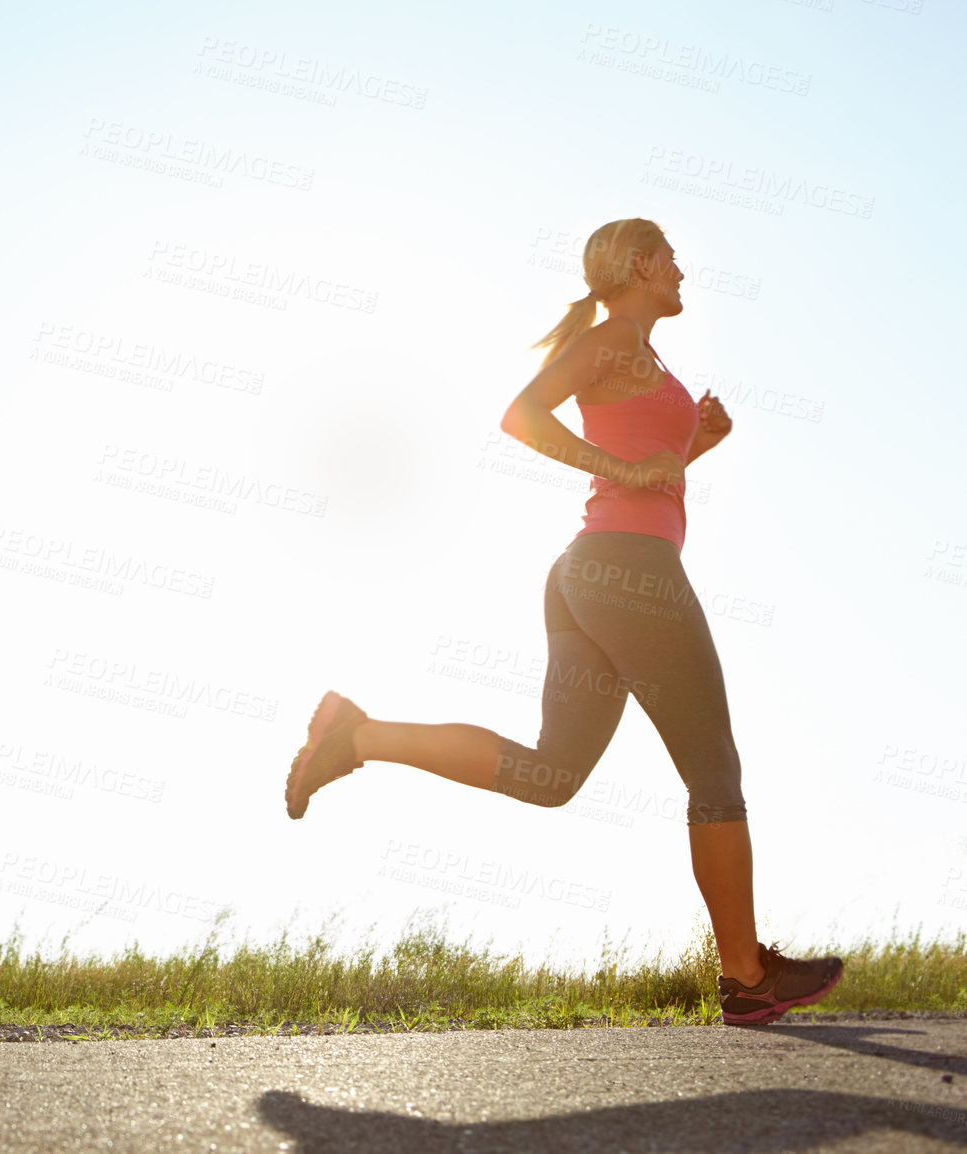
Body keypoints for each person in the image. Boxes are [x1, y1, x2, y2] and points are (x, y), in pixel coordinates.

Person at [283, 218, 842, 1027]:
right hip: (629, 575)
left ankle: (357, 737)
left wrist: (696, 447)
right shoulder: (611, 338)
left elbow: (650, 476)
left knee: (552, 777)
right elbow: (523, 416)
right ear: (643, 264)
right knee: (714, 774)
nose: (683, 271)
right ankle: (747, 976)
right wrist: (625, 466)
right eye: (672, 260)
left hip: (589, 576)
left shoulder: (641, 355)